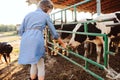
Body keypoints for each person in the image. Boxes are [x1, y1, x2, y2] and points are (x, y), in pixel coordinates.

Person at [18, 0, 67, 80]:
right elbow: (54, 33)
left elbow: (20, 31)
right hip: (36, 39)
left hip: (25, 39)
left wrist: (27, 37)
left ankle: (32, 78)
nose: (49, 13)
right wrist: (62, 44)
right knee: (40, 65)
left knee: (33, 63)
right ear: (48, 8)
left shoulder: (28, 14)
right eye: (50, 11)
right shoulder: (45, 16)